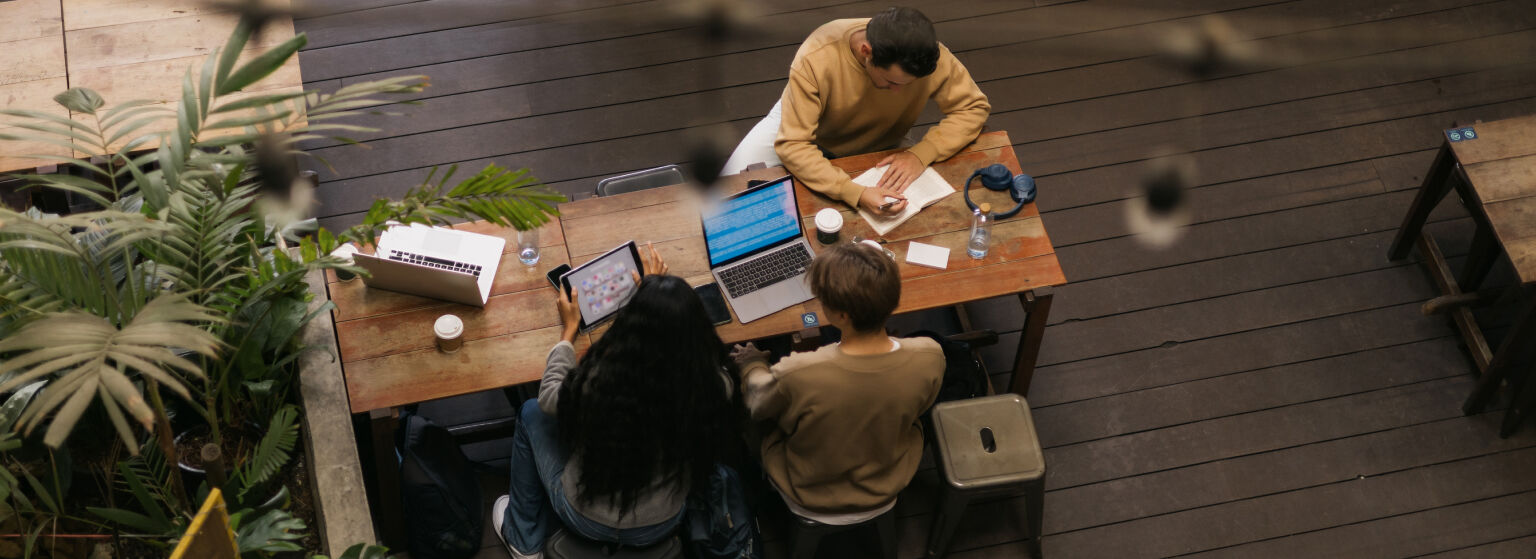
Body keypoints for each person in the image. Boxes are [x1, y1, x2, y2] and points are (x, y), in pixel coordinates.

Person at [493, 244, 737, 559]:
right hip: (664, 521)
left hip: (585, 517)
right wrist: (655, 300)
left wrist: (568, 333)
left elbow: (549, 397)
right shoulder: (713, 387)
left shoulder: (601, 384)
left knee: (529, 412)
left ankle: (523, 539)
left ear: (629, 327)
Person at [731, 243, 944, 522]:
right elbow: (919, 407)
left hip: (809, 490)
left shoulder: (799, 371)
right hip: (889, 479)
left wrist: (752, 364)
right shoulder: (929, 354)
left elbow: (758, 404)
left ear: (841, 316)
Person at [721, 6, 990, 216]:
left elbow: (973, 106)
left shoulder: (927, 53)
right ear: (866, 51)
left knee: (911, 215)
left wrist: (921, 154)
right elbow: (794, 144)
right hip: (805, 127)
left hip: (884, 138)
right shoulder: (816, 57)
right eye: (892, 82)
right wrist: (853, 192)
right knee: (725, 195)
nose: (898, 92)